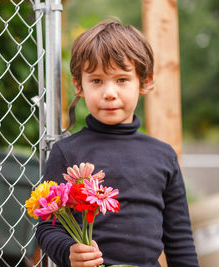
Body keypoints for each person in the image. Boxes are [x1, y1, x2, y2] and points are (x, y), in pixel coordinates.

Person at [35, 20, 199, 267]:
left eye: (122, 79)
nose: (109, 92)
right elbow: (47, 227)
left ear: (144, 82)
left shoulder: (163, 156)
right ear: (79, 85)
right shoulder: (67, 153)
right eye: (97, 81)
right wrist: (69, 251)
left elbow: (179, 239)